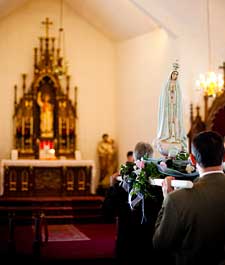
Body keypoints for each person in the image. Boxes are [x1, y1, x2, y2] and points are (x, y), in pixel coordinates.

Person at [153, 130, 225, 265]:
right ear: (224, 156)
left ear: (192, 159)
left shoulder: (176, 199)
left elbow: (160, 243)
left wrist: (166, 199)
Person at [102, 141, 163, 265]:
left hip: (127, 244)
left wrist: (112, 187)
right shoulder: (159, 185)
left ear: (134, 157)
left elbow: (106, 213)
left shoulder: (122, 185)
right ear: (151, 157)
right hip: (149, 244)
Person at [155, 63, 187, 155]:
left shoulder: (178, 85)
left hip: (175, 107)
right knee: (168, 121)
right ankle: (168, 135)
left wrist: (175, 96)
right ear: (171, 74)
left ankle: (175, 136)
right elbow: (164, 97)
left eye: (177, 74)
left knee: (175, 121)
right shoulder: (167, 84)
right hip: (168, 107)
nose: (175, 76)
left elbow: (179, 97)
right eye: (174, 74)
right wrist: (170, 94)